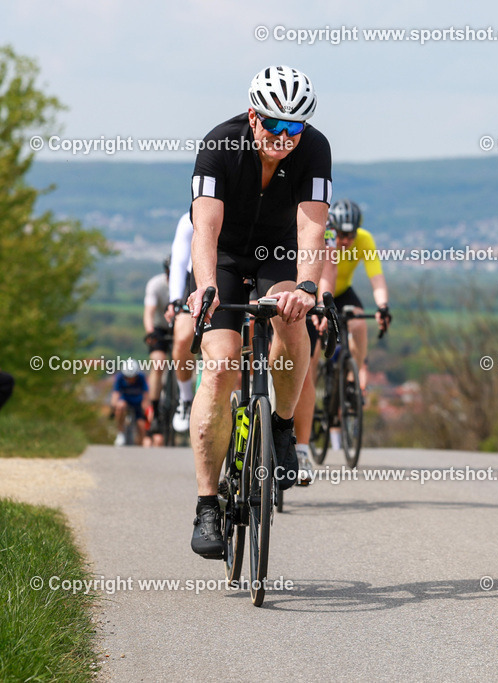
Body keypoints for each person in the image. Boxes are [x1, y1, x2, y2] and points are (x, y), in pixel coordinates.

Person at [186, 65, 332, 559]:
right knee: (221, 365)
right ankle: (207, 505)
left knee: (292, 322)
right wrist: (206, 287)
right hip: (223, 258)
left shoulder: (315, 148)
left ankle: (284, 428)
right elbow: (205, 229)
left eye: (295, 127)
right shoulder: (218, 144)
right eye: (274, 125)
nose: (284, 137)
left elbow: (312, 227)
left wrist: (307, 286)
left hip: (279, 254)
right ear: (253, 117)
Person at [293, 199, 391, 483]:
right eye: (342, 234)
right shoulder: (326, 235)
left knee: (359, 322)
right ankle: (308, 392)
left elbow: (376, 277)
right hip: (316, 290)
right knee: (311, 355)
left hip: (342, 291)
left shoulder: (364, 240)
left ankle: (352, 377)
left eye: (351, 234)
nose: (346, 240)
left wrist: (383, 306)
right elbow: (327, 269)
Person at [165, 212, 196, 433]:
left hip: (237, 271)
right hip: (195, 279)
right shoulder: (189, 219)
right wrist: (175, 300)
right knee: (183, 338)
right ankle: (185, 399)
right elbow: (179, 261)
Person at [143, 256, 172, 446]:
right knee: (158, 363)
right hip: (160, 328)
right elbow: (149, 312)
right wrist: (150, 332)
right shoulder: (156, 284)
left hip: (181, 326)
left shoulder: (188, 283)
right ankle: (154, 409)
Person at [111, 359, 150, 446]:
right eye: (127, 377)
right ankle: (120, 432)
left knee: (141, 426)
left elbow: (146, 394)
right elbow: (115, 394)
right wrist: (114, 406)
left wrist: (145, 405)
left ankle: (139, 444)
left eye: (133, 377)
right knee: (120, 406)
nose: (130, 380)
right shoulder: (120, 377)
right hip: (125, 402)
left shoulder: (141, 377)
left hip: (138, 404)